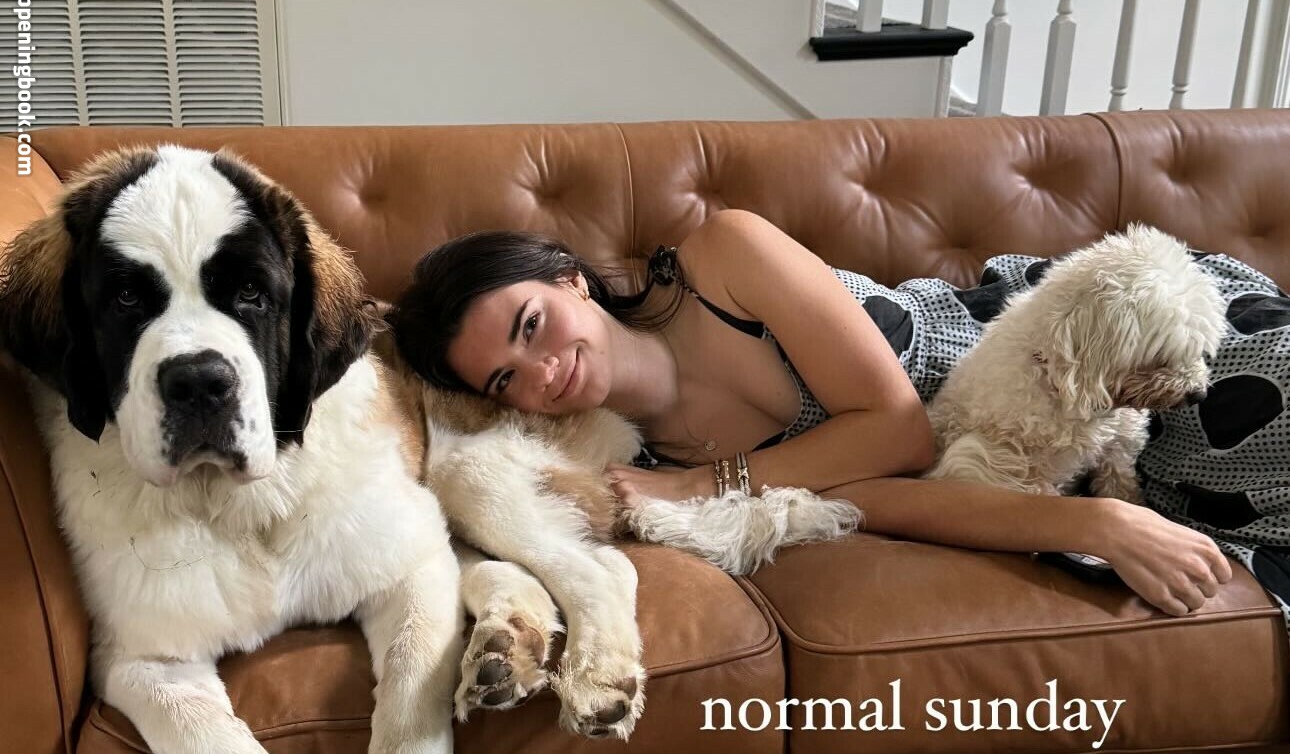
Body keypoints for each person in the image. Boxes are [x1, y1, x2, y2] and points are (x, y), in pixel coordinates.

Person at [389, 209, 1231, 617]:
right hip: (1024, 461)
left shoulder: (725, 258)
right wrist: (1098, 525)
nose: (542, 371)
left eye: (531, 324)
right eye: (505, 379)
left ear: (570, 278)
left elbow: (899, 430)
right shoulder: (640, 470)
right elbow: (890, 493)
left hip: (1089, 344)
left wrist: (712, 480)